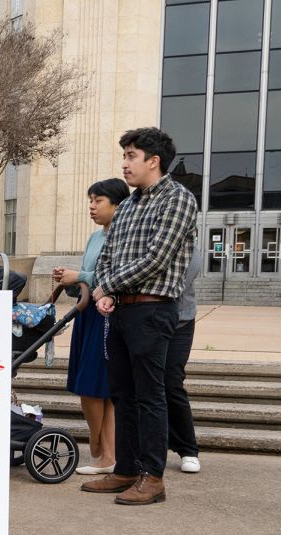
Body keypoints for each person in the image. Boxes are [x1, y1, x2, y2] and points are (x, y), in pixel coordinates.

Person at [82, 127, 198, 505]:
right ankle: (126, 469)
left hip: (153, 308)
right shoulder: (129, 204)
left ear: (154, 161)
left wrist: (107, 285)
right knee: (123, 393)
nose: (125, 164)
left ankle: (153, 476)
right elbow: (109, 255)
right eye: (125, 156)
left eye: (132, 156)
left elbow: (157, 258)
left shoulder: (178, 199)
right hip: (121, 310)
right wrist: (106, 291)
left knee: (150, 395)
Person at [52, 178, 130, 475]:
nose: (92, 206)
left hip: (107, 315)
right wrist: (71, 279)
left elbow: (117, 275)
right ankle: (106, 454)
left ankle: (100, 450)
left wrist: (81, 275)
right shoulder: (96, 237)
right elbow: (89, 277)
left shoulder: (124, 236)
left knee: (94, 387)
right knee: (96, 388)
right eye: (91, 200)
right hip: (89, 313)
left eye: (98, 200)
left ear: (117, 205)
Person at [167, 240, 202, 474]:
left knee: (171, 382)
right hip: (145, 320)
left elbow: (179, 282)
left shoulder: (190, 247)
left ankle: (188, 449)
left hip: (180, 321)